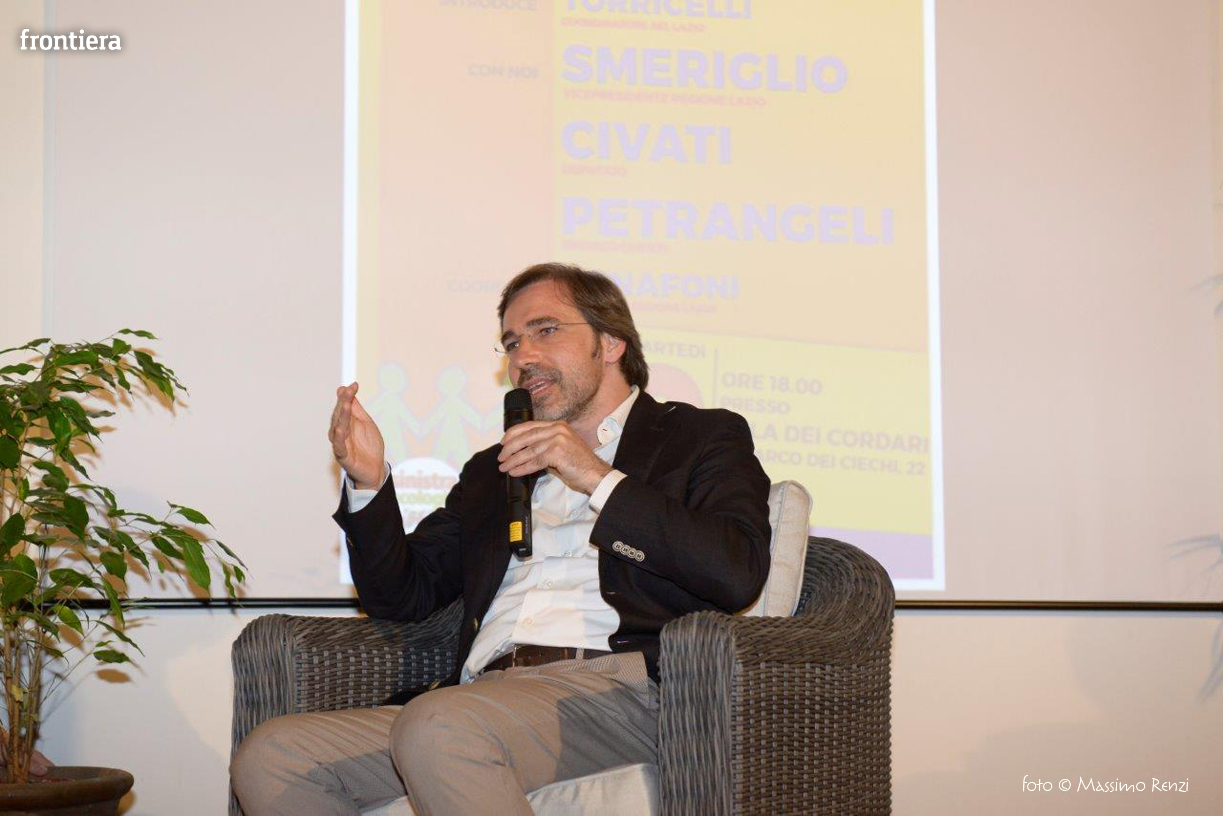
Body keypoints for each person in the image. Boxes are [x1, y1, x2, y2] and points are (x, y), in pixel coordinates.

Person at [230, 262, 772, 815]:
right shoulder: (492, 470)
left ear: (611, 343)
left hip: (619, 691)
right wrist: (370, 484)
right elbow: (401, 597)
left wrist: (595, 476)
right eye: (512, 343)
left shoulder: (698, 436)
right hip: (481, 698)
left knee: (440, 726)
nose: (522, 357)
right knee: (273, 756)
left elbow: (735, 573)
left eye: (545, 330)